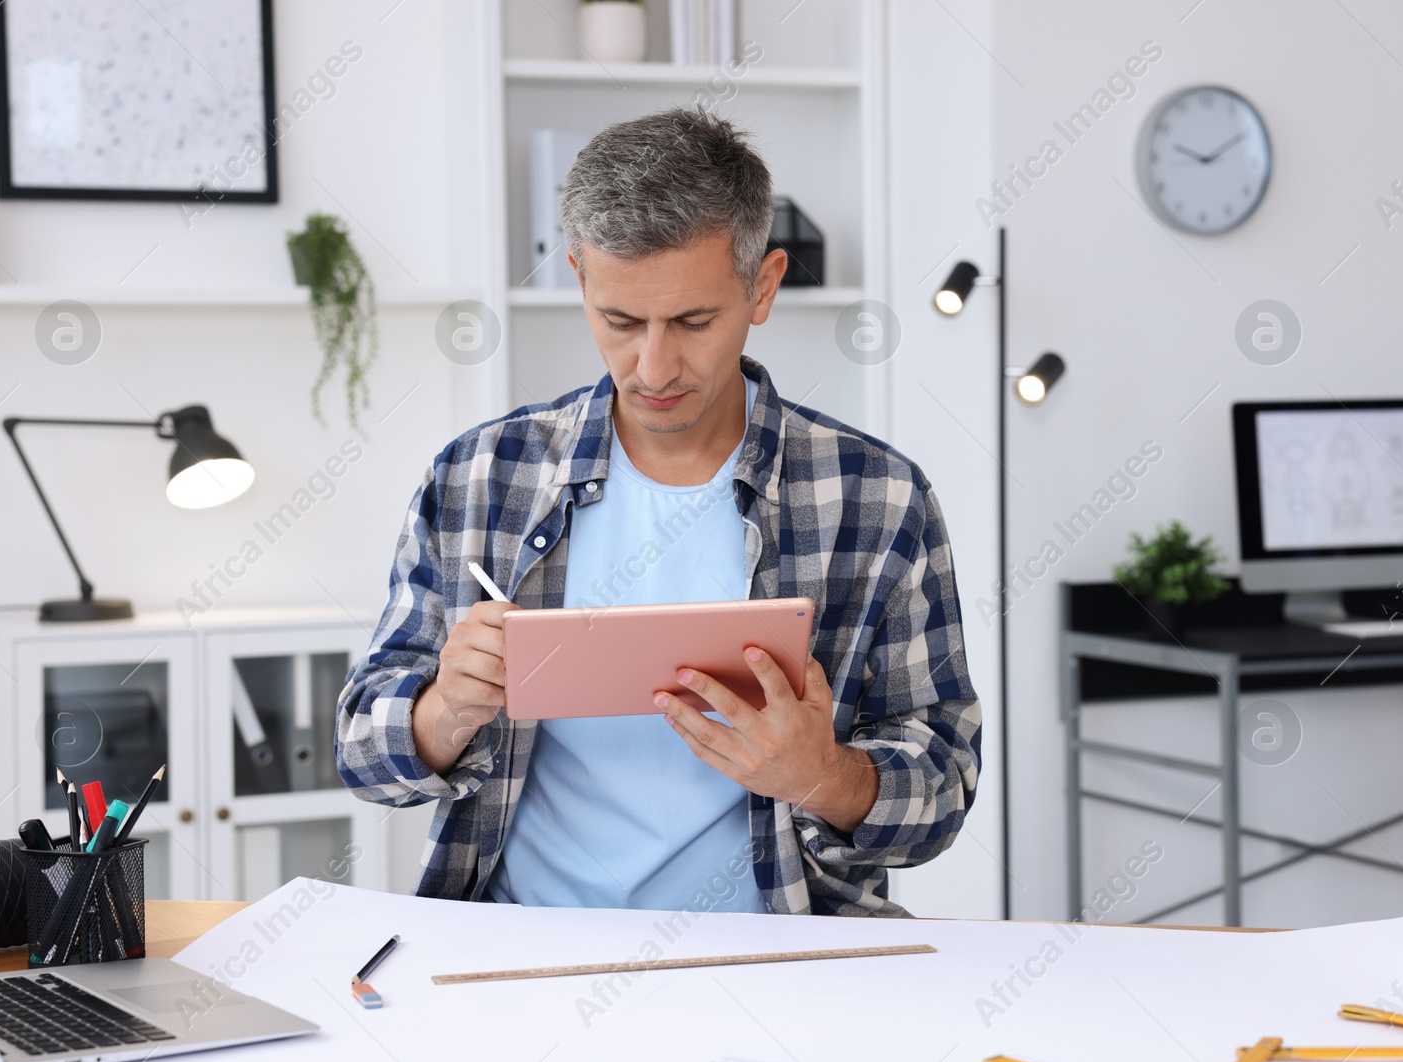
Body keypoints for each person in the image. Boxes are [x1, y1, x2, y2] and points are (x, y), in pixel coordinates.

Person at [336, 107, 980, 917]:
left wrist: (823, 775)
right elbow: (362, 757)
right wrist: (444, 710)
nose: (654, 365)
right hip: (524, 951)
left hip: (786, 954)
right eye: (621, 321)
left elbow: (945, 791)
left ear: (765, 286)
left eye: (693, 321)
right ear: (579, 279)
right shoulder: (479, 476)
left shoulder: (880, 498)